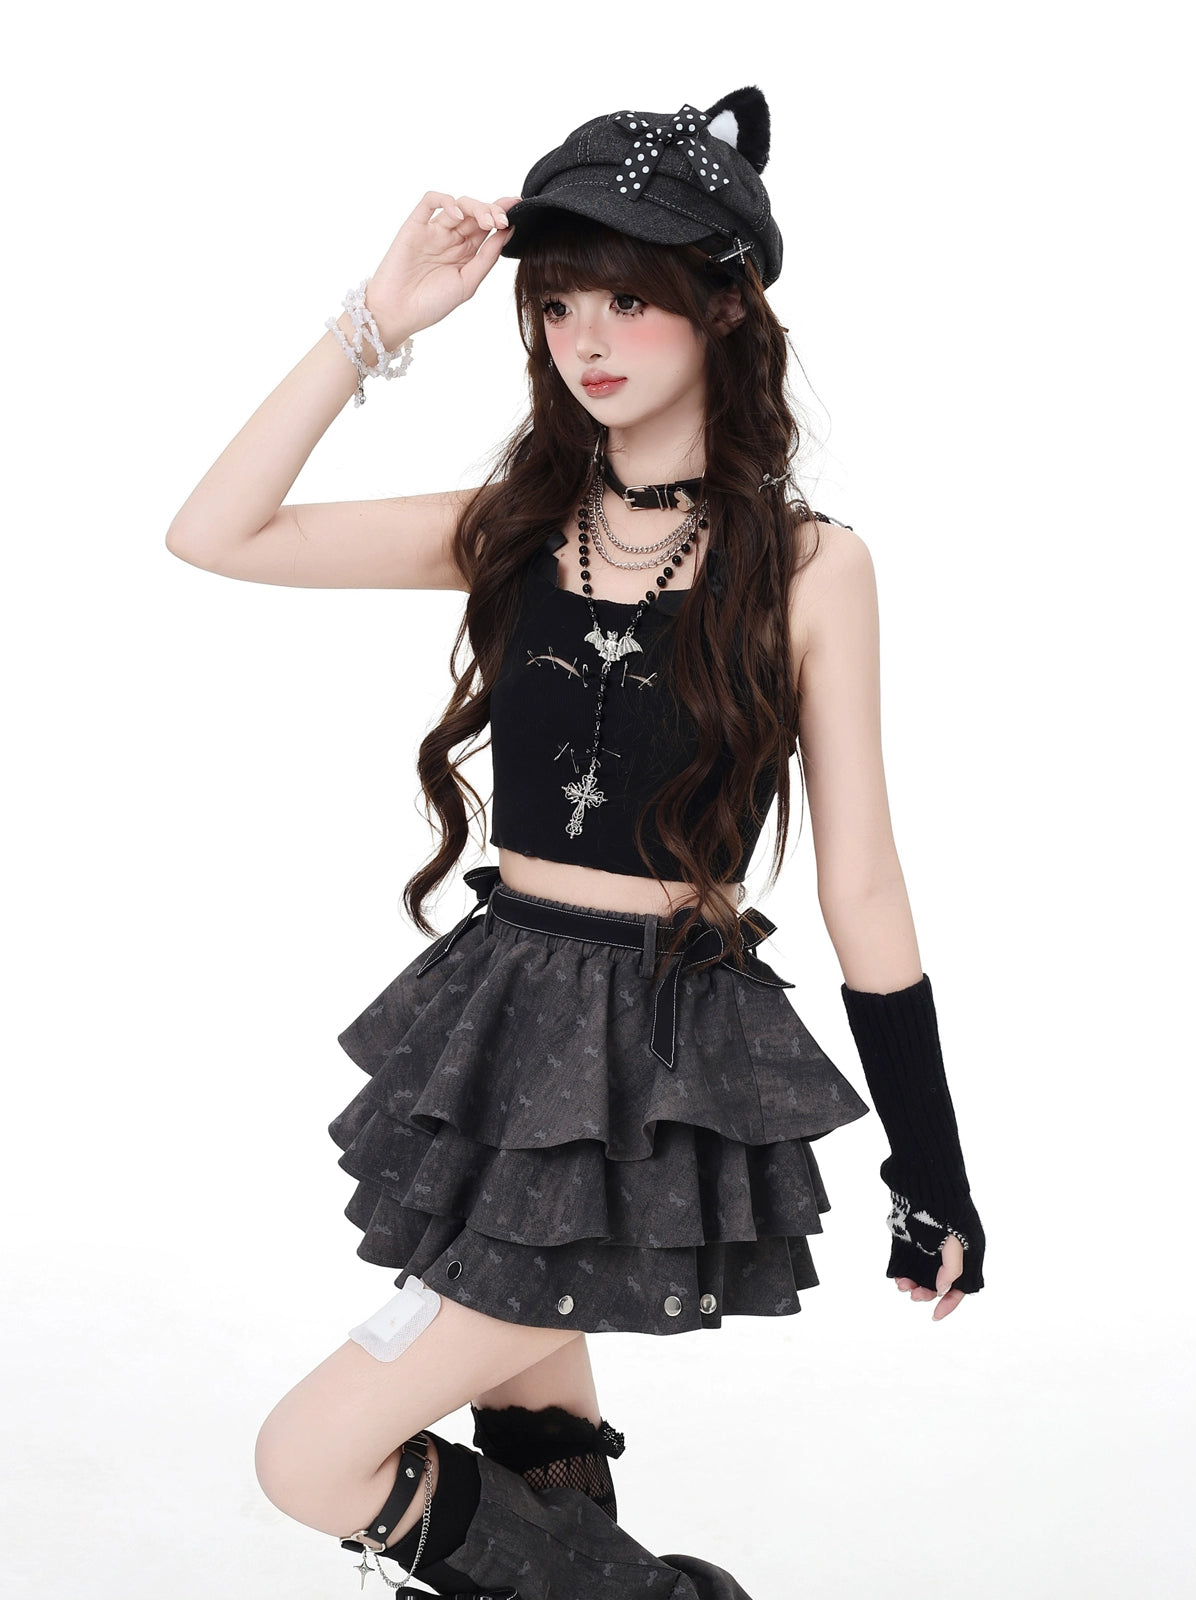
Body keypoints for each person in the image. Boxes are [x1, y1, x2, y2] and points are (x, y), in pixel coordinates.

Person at [166, 85, 986, 1600]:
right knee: (535, 1432)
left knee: (309, 1460)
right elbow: (217, 532)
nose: (586, 339)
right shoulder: (519, 526)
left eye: (628, 298)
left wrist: (928, 1164)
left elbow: (864, 880)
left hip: (646, 1048)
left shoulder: (810, 567)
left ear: (725, 307)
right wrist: (377, 319)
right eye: (555, 305)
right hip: (501, 1018)